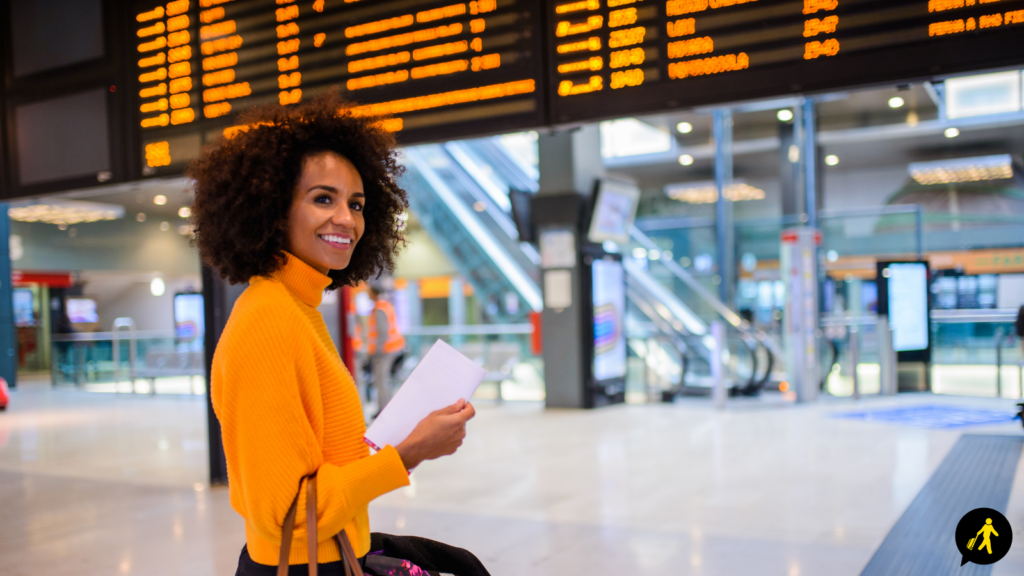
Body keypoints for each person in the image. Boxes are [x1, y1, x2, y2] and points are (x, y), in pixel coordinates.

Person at [189, 92, 476, 575]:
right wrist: (406, 454)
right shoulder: (268, 319)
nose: (347, 218)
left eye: (357, 203)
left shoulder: (299, 306)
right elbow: (284, 518)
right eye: (323, 198)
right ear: (273, 207)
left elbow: (320, 460)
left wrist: (404, 443)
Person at [367, 281, 406, 409]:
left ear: (373, 294)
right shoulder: (386, 306)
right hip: (391, 348)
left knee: (381, 381)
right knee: (383, 380)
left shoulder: (379, 309)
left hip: (384, 351)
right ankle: (384, 408)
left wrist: (376, 351)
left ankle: (384, 409)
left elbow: (382, 333)